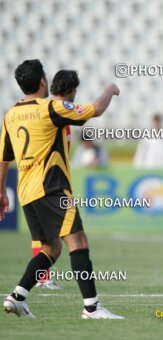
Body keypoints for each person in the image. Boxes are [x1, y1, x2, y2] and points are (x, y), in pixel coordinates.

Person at [0, 59, 123, 319]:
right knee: (78, 241)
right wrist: (110, 88)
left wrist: (1, 192)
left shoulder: (11, 114)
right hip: (52, 187)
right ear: (43, 81)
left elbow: (4, 158)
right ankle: (91, 307)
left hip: (26, 191)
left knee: (51, 248)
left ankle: (18, 296)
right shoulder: (51, 108)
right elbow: (96, 110)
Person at [32, 69, 79, 290]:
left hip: (47, 180)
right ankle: (91, 305)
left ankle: (31, 286)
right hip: (47, 181)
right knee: (72, 238)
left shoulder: (60, 116)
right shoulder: (52, 113)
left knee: (49, 235)